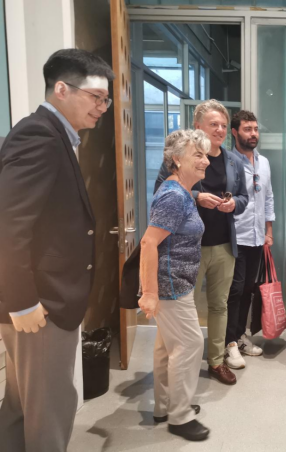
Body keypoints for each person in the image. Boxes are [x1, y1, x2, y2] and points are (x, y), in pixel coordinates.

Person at [0, 49, 114, 452]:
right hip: (41, 305)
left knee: (21, 406)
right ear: (62, 89)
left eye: (106, 100)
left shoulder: (55, 135)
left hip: (41, 301)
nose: (102, 108)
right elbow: (9, 224)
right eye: (96, 97)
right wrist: (22, 301)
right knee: (49, 411)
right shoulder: (40, 136)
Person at [155, 100, 248, 386]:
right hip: (186, 250)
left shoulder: (234, 161)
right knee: (186, 308)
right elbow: (162, 189)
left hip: (223, 245)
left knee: (219, 305)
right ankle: (183, 364)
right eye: (213, 124)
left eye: (223, 125)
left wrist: (234, 205)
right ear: (197, 126)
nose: (220, 130)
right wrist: (197, 197)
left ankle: (216, 361)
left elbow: (244, 197)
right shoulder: (181, 157)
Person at [139, 129, 211, 442]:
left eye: (206, 155)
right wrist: (149, 293)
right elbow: (148, 243)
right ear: (177, 159)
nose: (206, 161)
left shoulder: (180, 191)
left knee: (166, 346)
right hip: (170, 285)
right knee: (189, 344)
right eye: (198, 155)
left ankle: (165, 406)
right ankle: (180, 416)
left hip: (177, 283)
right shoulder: (173, 196)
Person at [224, 111, 275, 370]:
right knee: (234, 291)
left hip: (257, 237)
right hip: (235, 236)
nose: (253, 134)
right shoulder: (228, 162)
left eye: (255, 129)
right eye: (247, 129)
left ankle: (240, 336)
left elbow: (268, 197)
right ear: (235, 132)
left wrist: (268, 231)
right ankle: (229, 342)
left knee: (248, 290)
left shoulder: (263, 162)